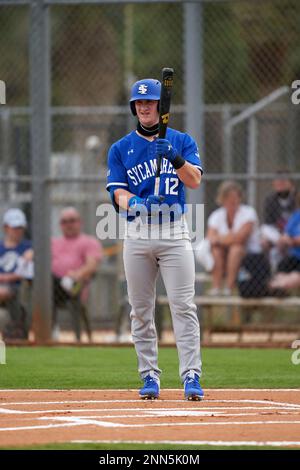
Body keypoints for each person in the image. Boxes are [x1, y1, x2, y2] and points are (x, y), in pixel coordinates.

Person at [106, 77, 204, 401]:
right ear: (134, 107)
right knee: (140, 309)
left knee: (183, 306)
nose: (145, 107)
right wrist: (135, 202)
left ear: (161, 107)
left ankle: (191, 375)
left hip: (174, 230)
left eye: (150, 102)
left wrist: (175, 157)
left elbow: (194, 181)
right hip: (138, 230)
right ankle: (149, 375)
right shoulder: (120, 148)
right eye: (140, 102)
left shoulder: (182, 140)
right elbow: (118, 192)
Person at [51, 207, 103, 341]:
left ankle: (73, 335)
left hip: (75, 287)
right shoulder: (53, 243)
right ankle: (48, 329)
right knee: (42, 282)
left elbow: (92, 265)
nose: (68, 224)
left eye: (72, 221)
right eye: (64, 221)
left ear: (80, 222)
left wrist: (77, 274)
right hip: (52, 288)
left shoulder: (89, 242)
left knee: (52, 283)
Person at [206, 181, 263, 296]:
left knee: (235, 249)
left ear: (240, 198)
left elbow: (240, 239)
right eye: (228, 197)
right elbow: (211, 238)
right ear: (222, 199)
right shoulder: (216, 215)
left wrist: (220, 239)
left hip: (249, 255)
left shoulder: (248, 212)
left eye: (235, 197)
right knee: (216, 250)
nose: (232, 200)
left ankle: (229, 288)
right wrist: (229, 238)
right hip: (223, 255)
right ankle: (216, 288)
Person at [0, 208, 33, 339]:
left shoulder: (29, 248)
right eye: (14, 227)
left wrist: (5, 278)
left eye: (20, 227)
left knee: (4, 291)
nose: (17, 231)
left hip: (18, 289)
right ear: (6, 228)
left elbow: (25, 273)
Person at [261, 172, 296, 271]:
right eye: (278, 181)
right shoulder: (270, 200)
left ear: (291, 184)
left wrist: (288, 237)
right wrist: (279, 238)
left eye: (283, 181)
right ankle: (270, 272)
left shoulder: (297, 198)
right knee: (264, 242)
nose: (280, 184)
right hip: (278, 234)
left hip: (294, 233)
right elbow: (268, 225)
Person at [269, 191, 300, 291]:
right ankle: (279, 285)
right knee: (282, 269)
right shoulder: (297, 216)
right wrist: (288, 239)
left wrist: (292, 241)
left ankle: (280, 285)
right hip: (294, 256)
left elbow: (294, 240)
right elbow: (285, 235)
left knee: (296, 275)